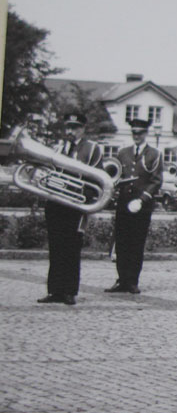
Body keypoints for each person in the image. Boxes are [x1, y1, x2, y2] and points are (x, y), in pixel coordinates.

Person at [38, 113, 103, 306]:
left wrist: (80, 192)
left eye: (74, 128)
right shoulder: (59, 147)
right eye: (68, 127)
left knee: (71, 247)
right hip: (56, 203)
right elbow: (51, 171)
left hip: (75, 204)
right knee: (55, 246)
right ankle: (54, 290)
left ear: (83, 128)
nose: (70, 131)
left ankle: (69, 291)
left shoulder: (92, 149)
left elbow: (97, 178)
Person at [104, 118, 163, 294]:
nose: (137, 136)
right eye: (134, 133)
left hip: (141, 205)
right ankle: (121, 279)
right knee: (121, 243)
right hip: (123, 203)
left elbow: (156, 180)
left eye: (140, 133)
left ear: (146, 134)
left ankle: (132, 280)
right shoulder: (123, 153)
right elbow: (116, 174)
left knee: (136, 244)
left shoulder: (154, 154)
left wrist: (143, 199)